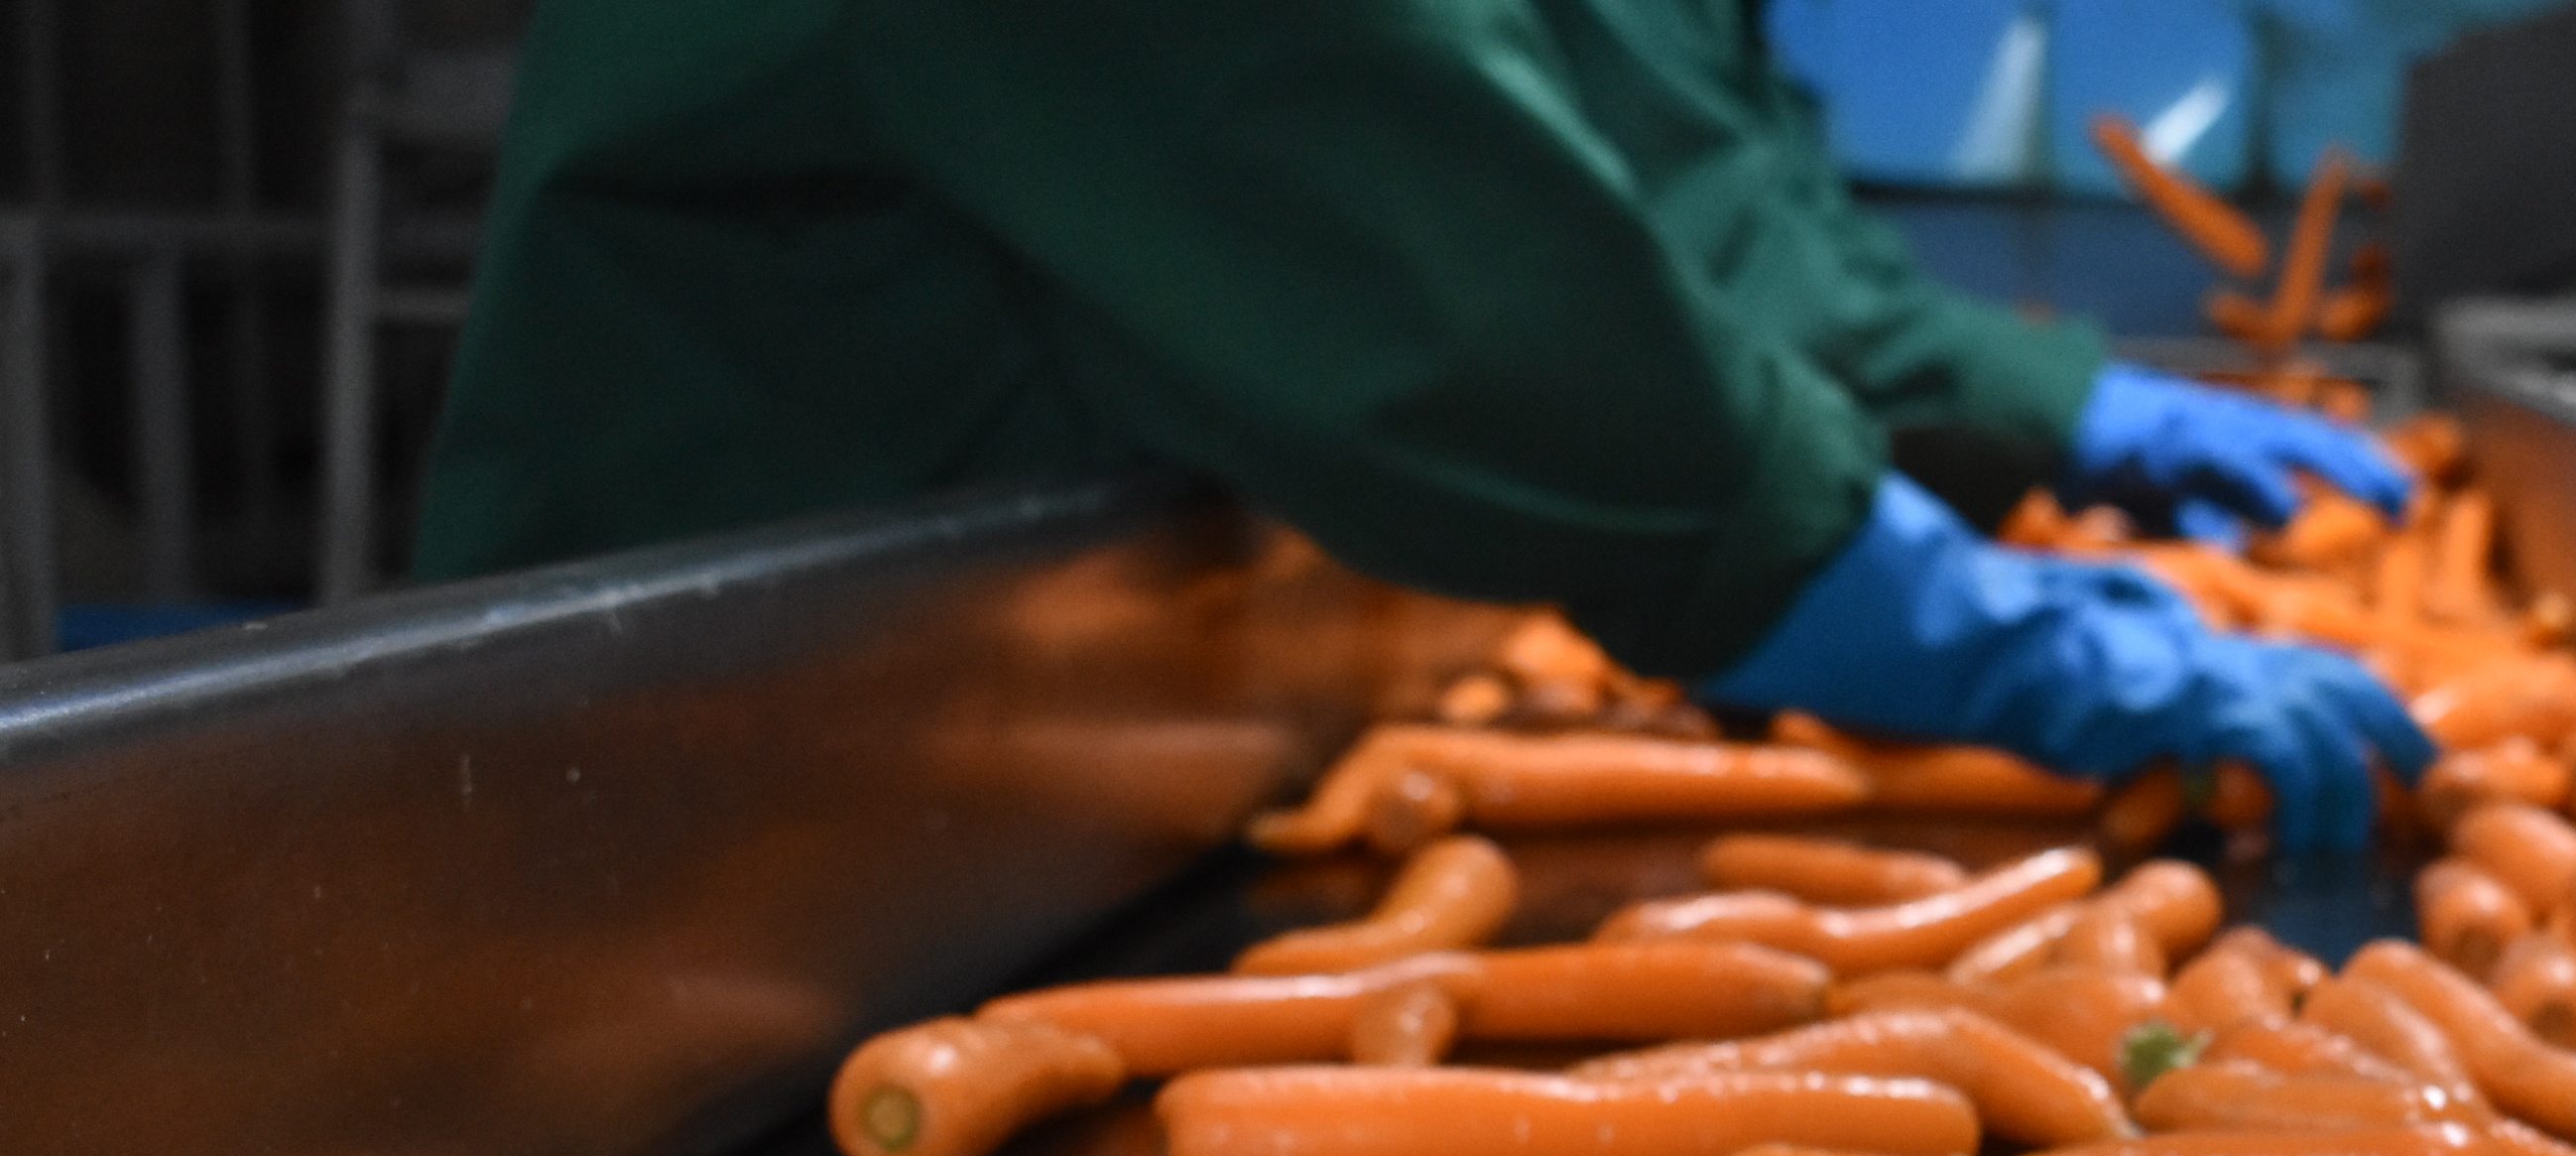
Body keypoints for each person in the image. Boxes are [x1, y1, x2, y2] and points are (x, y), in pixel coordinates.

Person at [412, 0, 2435, 845]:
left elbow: (1679, 193)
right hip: (720, 732)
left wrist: (2042, 403)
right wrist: (1914, 604)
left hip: (1017, 718)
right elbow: (1455, 272)